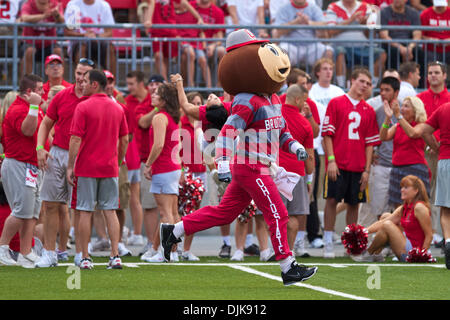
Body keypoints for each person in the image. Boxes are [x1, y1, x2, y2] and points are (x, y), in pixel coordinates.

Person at [161, 29, 317, 286]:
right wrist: (222, 162)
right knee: (277, 213)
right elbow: (227, 133)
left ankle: (173, 230)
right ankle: (288, 267)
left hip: (261, 166)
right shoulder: (246, 100)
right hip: (251, 167)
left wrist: (296, 147)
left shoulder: (273, 98)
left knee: (224, 213)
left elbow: (282, 133)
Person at [67, 69, 129, 270]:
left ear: (95, 84)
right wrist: (117, 161)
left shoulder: (83, 107)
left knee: (85, 211)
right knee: (109, 211)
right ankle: (115, 255)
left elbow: (75, 138)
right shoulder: (118, 108)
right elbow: (125, 139)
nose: (81, 84)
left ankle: (85, 257)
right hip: (109, 167)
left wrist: (70, 165)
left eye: (85, 82)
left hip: (86, 167)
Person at [35, 58, 93, 268]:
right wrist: (40, 148)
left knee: (80, 208)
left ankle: (80, 252)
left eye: (85, 74)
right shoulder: (62, 95)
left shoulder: (94, 99)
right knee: (51, 204)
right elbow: (46, 124)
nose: (80, 78)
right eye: (78, 73)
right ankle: (50, 253)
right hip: (58, 152)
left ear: (92, 77)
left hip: (83, 155)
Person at [321, 67, 381, 258]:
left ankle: (351, 244)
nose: (364, 86)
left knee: (354, 204)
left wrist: (366, 170)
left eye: (368, 83)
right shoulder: (336, 103)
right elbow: (327, 135)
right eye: (362, 81)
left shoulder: (369, 110)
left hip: (358, 165)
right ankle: (328, 241)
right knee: (331, 200)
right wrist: (331, 160)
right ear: (352, 80)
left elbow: (370, 144)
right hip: (337, 163)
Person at [397, 101, 450, 268]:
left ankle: (448, 241)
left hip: (445, 161)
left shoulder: (443, 108)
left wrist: (436, 146)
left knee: (446, 210)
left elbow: (426, 131)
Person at [0, 74, 44, 268]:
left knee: (32, 213)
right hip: (19, 163)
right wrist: (34, 107)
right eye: (40, 89)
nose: (44, 92)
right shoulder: (18, 109)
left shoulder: (31, 108)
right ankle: (2, 248)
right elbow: (27, 130)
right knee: (21, 210)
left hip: (31, 165)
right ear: (30, 92)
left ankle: (26, 251)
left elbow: (37, 136)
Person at [142, 83, 182, 262]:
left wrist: (148, 164)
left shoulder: (160, 117)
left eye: (157, 94)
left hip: (164, 168)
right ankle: (171, 251)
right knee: (172, 212)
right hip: (172, 168)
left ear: (164, 100)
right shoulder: (173, 117)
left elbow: (158, 145)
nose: (152, 95)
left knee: (165, 213)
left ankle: (164, 253)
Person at [352, 175, 433, 262]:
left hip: (413, 252)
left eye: (406, 187)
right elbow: (383, 221)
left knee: (387, 225)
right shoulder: (404, 207)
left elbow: (429, 235)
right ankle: (376, 254)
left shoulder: (419, 207)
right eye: (401, 187)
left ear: (416, 191)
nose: (402, 190)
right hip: (406, 244)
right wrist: (362, 232)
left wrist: (421, 255)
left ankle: (369, 253)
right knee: (385, 217)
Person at [358, 76, 400, 227]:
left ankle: (397, 242)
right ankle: (383, 242)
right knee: (379, 209)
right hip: (381, 165)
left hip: (400, 166)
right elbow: (367, 137)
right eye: (381, 90)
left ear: (396, 92)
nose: (382, 93)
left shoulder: (406, 109)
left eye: (387, 90)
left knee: (399, 208)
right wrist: (372, 152)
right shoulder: (375, 112)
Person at [279, 84, 315, 257]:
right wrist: (309, 179)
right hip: (295, 175)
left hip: (273, 172)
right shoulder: (304, 123)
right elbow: (309, 161)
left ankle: (271, 249)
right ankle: (288, 251)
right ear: (298, 100)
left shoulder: (273, 115)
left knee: (272, 215)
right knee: (293, 217)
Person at [416, 61, 449, 245]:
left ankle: (437, 233)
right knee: (425, 191)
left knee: (441, 195)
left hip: (442, 152)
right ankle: (424, 232)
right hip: (424, 150)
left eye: (437, 72)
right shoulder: (420, 97)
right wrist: (435, 146)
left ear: (444, 75)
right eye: (430, 73)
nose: (433, 76)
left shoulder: (447, 101)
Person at [381, 96, 431, 209]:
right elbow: (383, 137)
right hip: (397, 169)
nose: (402, 108)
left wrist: (398, 116)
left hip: (415, 169)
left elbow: (412, 133)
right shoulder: (397, 126)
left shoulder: (421, 125)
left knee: (417, 205)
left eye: (406, 106)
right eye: (402, 105)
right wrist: (387, 118)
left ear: (415, 110)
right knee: (399, 206)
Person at [134, 74, 164, 260]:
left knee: (167, 208)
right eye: (151, 84)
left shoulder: (172, 108)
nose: (153, 87)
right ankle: (151, 243)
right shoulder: (143, 106)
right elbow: (142, 122)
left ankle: (164, 245)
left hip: (167, 162)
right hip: (147, 160)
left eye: (157, 84)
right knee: (149, 205)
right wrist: (157, 108)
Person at [325, 0, 387, 88]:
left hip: (363, 47)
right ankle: (342, 87)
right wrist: (351, 20)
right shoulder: (333, 6)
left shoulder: (366, 7)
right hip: (341, 47)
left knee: (381, 53)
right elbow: (331, 31)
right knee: (340, 52)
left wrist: (365, 24)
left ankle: (371, 87)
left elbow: (371, 34)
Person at [143, 0, 203, 80]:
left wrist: (199, 18)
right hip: (157, 32)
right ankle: (164, 82)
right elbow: (151, 5)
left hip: (171, 32)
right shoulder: (154, 1)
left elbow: (185, 3)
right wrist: (148, 20)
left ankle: (169, 82)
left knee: (167, 58)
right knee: (158, 56)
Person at [179, 91, 205, 261]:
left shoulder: (204, 124)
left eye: (199, 103)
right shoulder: (180, 123)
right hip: (184, 171)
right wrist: (181, 170)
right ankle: (173, 247)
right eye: (193, 103)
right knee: (177, 210)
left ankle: (186, 250)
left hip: (201, 171)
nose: (196, 106)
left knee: (194, 212)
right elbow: (177, 149)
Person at [123, 71, 148, 250]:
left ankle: (138, 234)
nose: (129, 87)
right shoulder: (127, 101)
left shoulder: (152, 99)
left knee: (139, 198)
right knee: (131, 197)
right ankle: (135, 234)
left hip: (146, 155)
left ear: (141, 84)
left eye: (132, 84)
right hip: (133, 154)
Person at [273, 0, 333, 68]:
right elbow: (279, 30)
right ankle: (284, 78)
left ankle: (320, 78)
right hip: (291, 45)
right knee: (281, 52)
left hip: (311, 45)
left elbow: (324, 25)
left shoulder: (314, 8)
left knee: (328, 51)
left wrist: (309, 22)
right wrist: (296, 22)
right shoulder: (283, 8)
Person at [64, 0, 117, 76]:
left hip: (99, 41)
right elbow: (68, 32)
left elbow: (109, 33)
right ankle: (81, 82)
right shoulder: (73, 5)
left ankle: (110, 81)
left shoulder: (104, 5)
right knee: (82, 47)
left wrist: (96, 36)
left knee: (110, 48)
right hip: (79, 42)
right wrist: (84, 35)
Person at [19, 0, 65, 76]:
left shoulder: (55, 4)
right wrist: (44, 15)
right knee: (29, 51)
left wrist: (56, 15)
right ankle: (27, 84)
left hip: (49, 43)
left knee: (58, 51)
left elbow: (62, 21)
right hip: (30, 42)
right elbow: (24, 18)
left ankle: (59, 85)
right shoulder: (29, 3)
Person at [174, 1, 211, 88]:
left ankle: (210, 88)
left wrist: (204, 44)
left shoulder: (192, 13)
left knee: (203, 60)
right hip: (183, 43)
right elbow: (175, 34)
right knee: (190, 54)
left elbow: (202, 27)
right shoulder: (173, 15)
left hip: (195, 42)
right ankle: (191, 85)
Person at [380, 0, 422, 69]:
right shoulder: (383, 12)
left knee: (419, 52)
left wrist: (410, 47)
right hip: (391, 44)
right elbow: (384, 36)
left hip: (408, 43)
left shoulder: (413, 13)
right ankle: (393, 78)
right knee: (393, 52)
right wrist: (400, 47)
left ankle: (420, 79)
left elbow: (417, 35)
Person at [193, 0, 226, 86]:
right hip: (194, 44)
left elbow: (220, 37)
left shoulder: (218, 12)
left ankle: (219, 87)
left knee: (222, 50)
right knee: (198, 57)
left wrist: (212, 46)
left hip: (211, 44)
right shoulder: (191, 6)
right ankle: (209, 89)